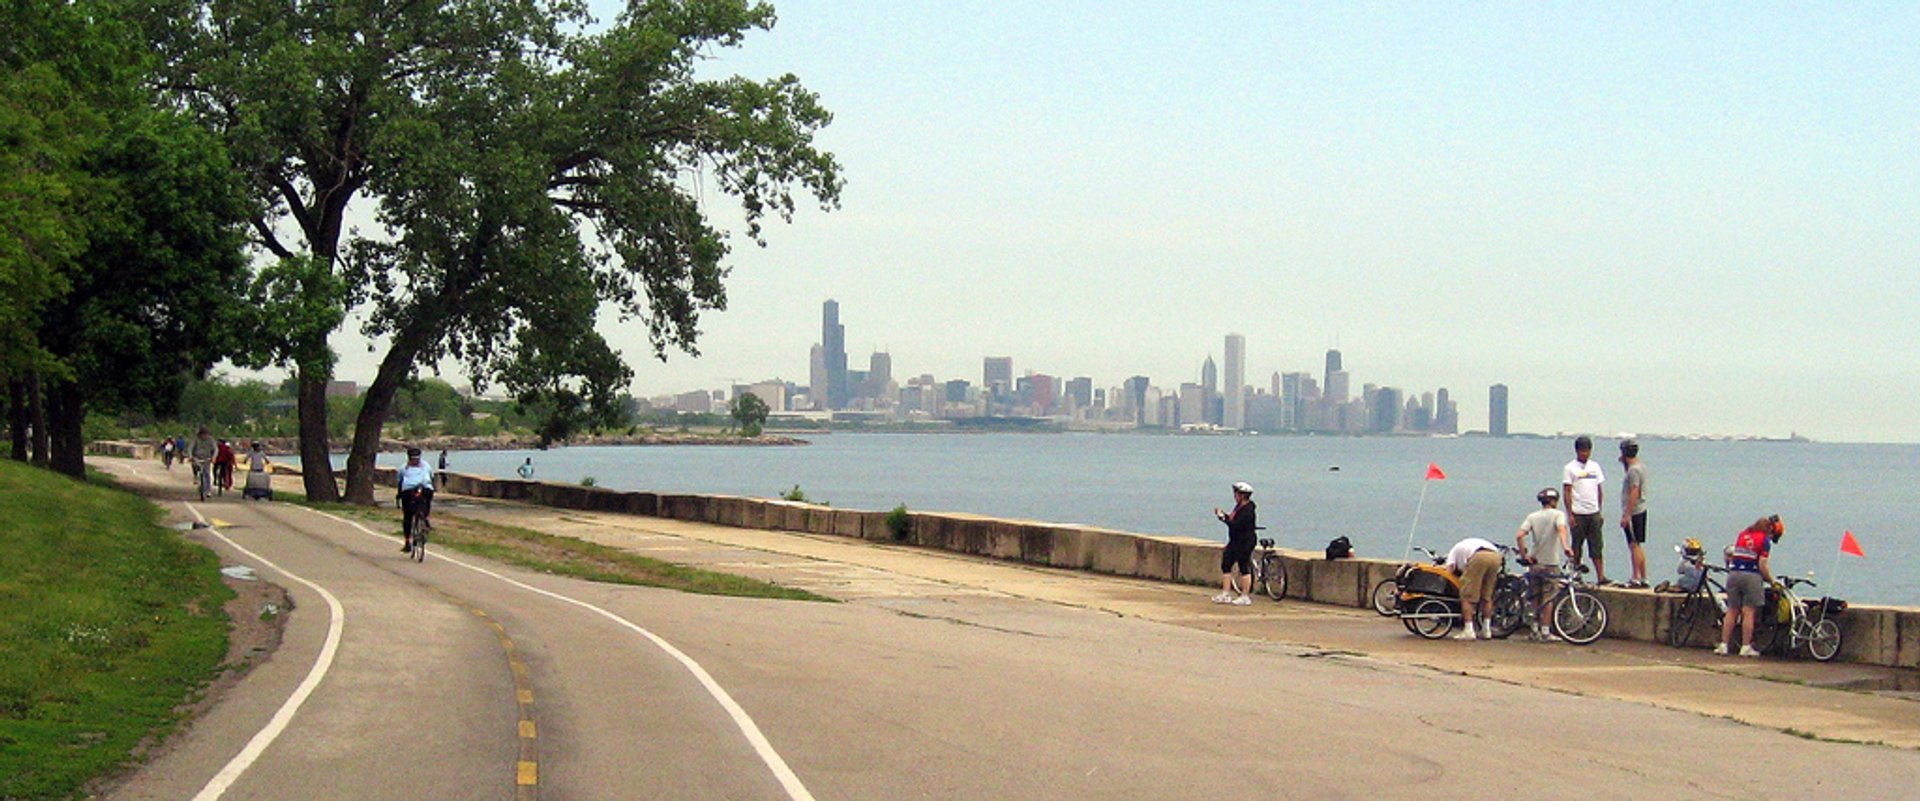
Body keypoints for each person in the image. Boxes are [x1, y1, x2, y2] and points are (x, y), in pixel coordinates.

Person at [1718, 515, 1784, 657]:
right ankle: (1746, 646)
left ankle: (1723, 645)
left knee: (1732, 611)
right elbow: (1762, 564)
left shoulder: (1743, 535)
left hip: (1733, 574)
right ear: (1769, 529)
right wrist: (1772, 581)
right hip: (1751, 576)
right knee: (1749, 612)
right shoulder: (1764, 540)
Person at [1514, 488, 1573, 641]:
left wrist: (1524, 555)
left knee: (1535, 597)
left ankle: (1534, 629)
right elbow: (1561, 529)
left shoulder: (1532, 516)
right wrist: (1566, 547)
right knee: (1548, 598)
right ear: (1554, 501)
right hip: (1551, 563)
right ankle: (1545, 631)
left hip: (1535, 562)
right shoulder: (1558, 514)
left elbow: (1519, 535)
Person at [1562, 435, 1610, 585]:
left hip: (1593, 512)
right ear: (1577, 451)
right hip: (1578, 513)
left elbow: (1599, 488)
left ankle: (1601, 576)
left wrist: (1600, 510)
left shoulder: (1595, 467)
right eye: (1582, 451)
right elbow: (1567, 491)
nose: (1585, 454)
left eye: (1587, 451)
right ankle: (1576, 574)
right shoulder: (1570, 468)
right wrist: (1570, 514)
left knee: (1597, 546)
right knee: (1577, 545)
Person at [1446, 536, 1503, 641]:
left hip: (1478, 557)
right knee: (1486, 596)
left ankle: (1469, 630)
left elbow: (1449, 570)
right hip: (1495, 556)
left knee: (1467, 596)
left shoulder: (1453, 552)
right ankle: (1486, 630)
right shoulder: (1466, 544)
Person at [1212, 481, 1258, 606]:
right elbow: (1232, 521)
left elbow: (1236, 525)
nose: (1235, 496)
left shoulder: (1248, 510)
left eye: (1236, 493)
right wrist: (1224, 516)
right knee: (1226, 564)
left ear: (1242, 495)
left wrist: (1223, 518)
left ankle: (1245, 596)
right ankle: (1225, 594)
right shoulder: (1239, 507)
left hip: (1245, 541)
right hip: (1235, 541)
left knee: (1244, 567)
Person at [1618, 438, 1649, 588]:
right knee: (1638, 544)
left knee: (1633, 545)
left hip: (1634, 511)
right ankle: (1644, 577)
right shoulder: (1639, 467)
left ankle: (1635, 577)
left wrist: (1627, 514)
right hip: (1641, 509)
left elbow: (1634, 490)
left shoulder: (1633, 470)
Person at [398, 447, 436, 553]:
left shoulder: (403, 468)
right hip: (420, 489)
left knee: (408, 516)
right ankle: (424, 518)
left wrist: (398, 495)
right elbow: (432, 477)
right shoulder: (426, 466)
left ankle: (407, 541)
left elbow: (400, 482)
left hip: (412, 490)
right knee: (425, 502)